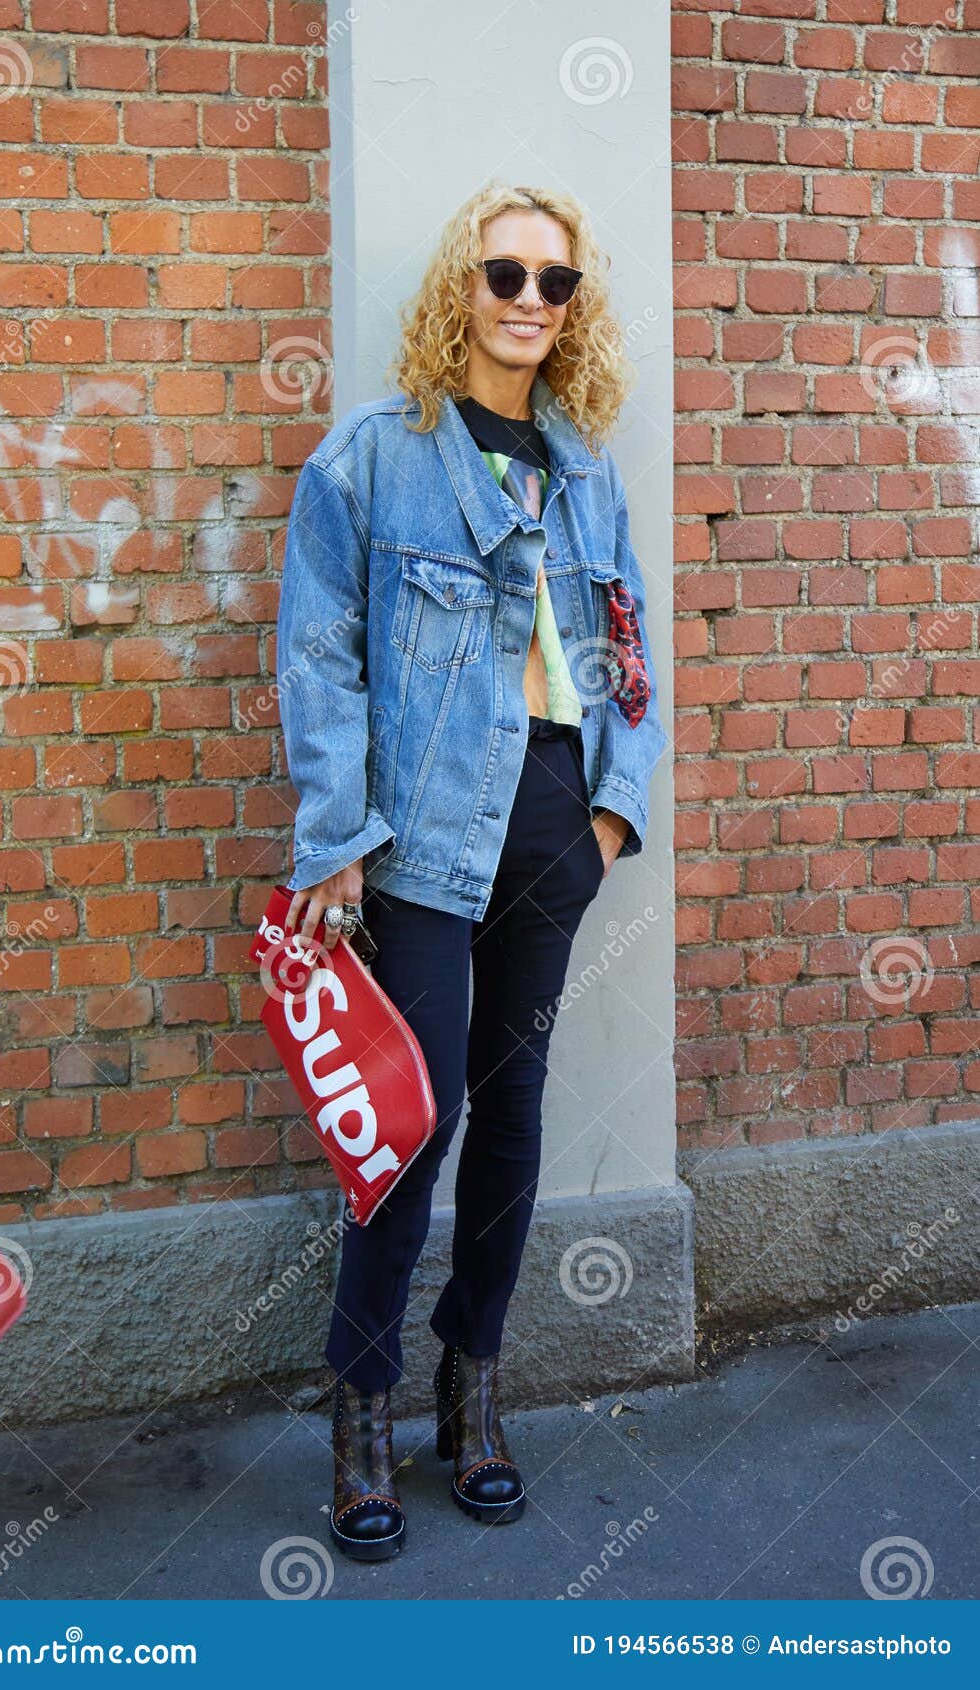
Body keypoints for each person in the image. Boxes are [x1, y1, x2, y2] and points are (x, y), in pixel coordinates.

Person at [275, 181, 670, 1561]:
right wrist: (340, 835)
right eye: (505, 273)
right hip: (427, 835)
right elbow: (318, 654)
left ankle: (473, 1384)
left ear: (573, 310)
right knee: (409, 1125)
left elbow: (626, 641)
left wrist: (614, 807)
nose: (526, 300)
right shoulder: (378, 457)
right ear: (465, 285)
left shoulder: (584, 461)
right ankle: (363, 1401)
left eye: (553, 283)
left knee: (512, 1115)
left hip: (554, 821)